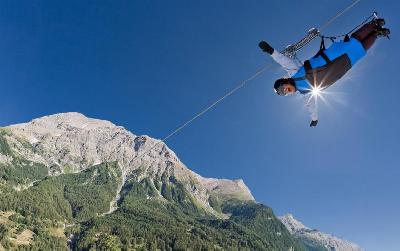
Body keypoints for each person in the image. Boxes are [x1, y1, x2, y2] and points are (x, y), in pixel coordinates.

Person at [259, 18, 390, 127]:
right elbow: (311, 107)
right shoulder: (305, 93)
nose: (287, 92)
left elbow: (284, 61)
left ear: (284, 82)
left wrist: (271, 51)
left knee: (352, 43)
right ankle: (377, 34)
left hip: (332, 56)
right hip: (343, 66)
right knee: (359, 51)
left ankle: (373, 25)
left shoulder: (295, 72)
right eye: (285, 94)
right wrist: (314, 119)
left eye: (284, 89)